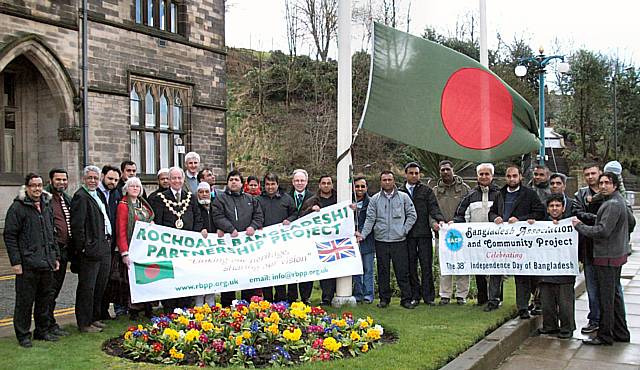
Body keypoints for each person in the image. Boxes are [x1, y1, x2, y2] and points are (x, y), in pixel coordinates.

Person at [573, 172, 634, 345]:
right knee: (614, 296)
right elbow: (630, 222)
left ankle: (605, 335)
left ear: (615, 185)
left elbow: (602, 231)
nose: (603, 186)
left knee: (606, 298)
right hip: (617, 255)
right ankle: (621, 332)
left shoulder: (612, 204)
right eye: (601, 183)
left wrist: (580, 226)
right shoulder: (619, 201)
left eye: (607, 183)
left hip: (606, 256)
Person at [4, 173, 60, 347]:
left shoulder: (46, 205)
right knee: (25, 302)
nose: (37, 188)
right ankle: (23, 335)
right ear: (27, 187)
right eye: (33, 185)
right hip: (27, 264)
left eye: (39, 185)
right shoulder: (17, 208)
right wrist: (16, 262)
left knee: (45, 300)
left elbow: (52, 233)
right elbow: (10, 236)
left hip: (46, 262)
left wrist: (55, 256)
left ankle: (41, 331)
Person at [488, 165, 545, 319]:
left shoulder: (529, 194)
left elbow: (540, 212)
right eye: (509, 176)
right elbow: (491, 212)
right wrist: (495, 218)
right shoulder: (500, 194)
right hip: (502, 240)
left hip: (521, 241)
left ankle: (523, 307)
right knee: (496, 269)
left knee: (522, 275)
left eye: (514, 176)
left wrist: (521, 219)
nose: (511, 179)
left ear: (521, 177)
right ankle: (493, 300)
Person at [357, 171, 417, 309]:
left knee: (402, 271)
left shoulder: (403, 197)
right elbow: (370, 219)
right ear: (381, 182)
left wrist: (404, 230)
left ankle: (406, 299)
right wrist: (363, 235)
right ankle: (384, 299)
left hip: (399, 241)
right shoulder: (375, 199)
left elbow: (412, 215)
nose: (387, 182)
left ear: (394, 180)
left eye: (389, 179)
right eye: (384, 180)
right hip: (381, 240)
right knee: (383, 271)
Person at [150, 166, 206, 312]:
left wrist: (191, 239)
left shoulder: (191, 198)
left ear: (183, 179)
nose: (176, 181)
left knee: (186, 276)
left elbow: (198, 220)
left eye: (179, 178)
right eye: (173, 178)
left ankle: (186, 306)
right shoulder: (160, 199)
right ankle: (170, 308)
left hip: (186, 248)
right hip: (169, 247)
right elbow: (158, 222)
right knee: (170, 277)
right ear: (169, 180)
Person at [71, 166, 113, 333]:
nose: (93, 181)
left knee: (99, 286)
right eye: (90, 178)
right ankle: (84, 322)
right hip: (91, 250)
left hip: (104, 246)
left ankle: (94, 318)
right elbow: (77, 227)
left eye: (95, 178)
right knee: (87, 288)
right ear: (84, 179)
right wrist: (84, 248)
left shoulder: (98, 195)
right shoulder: (80, 197)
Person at [213, 170, 264, 305]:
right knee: (229, 277)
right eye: (231, 180)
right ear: (228, 183)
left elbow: (258, 216)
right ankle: (227, 306)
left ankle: (246, 304)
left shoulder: (250, 199)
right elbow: (217, 216)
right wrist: (230, 229)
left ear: (242, 184)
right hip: (228, 246)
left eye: (236, 180)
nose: (234, 182)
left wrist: (253, 226)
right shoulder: (220, 199)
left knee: (246, 276)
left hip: (246, 247)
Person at [453, 163, 500, 308]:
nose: (484, 177)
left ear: (492, 176)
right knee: (478, 269)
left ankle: (496, 298)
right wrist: (453, 224)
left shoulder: (500, 194)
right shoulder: (471, 195)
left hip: (496, 240)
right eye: (481, 174)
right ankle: (482, 299)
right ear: (477, 176)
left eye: (487, 174)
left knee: (496, 269)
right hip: (477, 240)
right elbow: (460, 214)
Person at [399, 162, 444, 306]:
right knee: (411, 266)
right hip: (407, 235)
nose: (414, 176)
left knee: (426, 266)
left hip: (424, 233)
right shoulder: (399, 192)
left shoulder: (426, 191)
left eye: (416, 173)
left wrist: (440, 220)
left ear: (419, 175)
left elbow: (433, 208)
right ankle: (414, 295)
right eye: (411, 173)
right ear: (406, 174)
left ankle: (428, 297)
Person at [115, 177, 155, 319]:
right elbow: (121, 230)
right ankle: (134, 309)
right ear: (126, 188)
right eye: (132, 186)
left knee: (148, 277)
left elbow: (150, 219)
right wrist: (124, 252)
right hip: (132, 248)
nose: (135, 188)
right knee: (133, 280)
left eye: (137, 186)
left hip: (145, 249)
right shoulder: (123, 206)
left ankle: (148, 306)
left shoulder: (143, 205)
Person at [537, 194, 576, 339]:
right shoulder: (539, 226)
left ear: (563, 208)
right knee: (547, 302)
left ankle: (567, 328)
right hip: (546, 268)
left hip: (565, 269)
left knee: (565, 302)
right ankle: (550, 326)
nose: (554, 209)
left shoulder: (571, 224)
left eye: (557, 206)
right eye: (552, 206)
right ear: (547, 209)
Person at [433, 160, 470, 305]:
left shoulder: (465, 189)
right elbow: (431, 211)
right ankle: (445, 295)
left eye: (448, 169)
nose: (445, 172)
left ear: (453, 170)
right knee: (445, 264)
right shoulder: (435, 191)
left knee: (462, 263)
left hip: (460, 233)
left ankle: (462, 295)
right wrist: (434, 224)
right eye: (442, 170)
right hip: (442, 234)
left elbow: (468, 209)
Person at [257, 173, 297, 302]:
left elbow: (295, 213)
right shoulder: (258, 200)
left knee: (280, 271)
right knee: (266, 272)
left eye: (273, 184)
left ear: (277, 185)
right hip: (264, 243)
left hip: (282, 243)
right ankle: (267, 300)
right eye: (267, 184)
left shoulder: (287, 199)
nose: (270, 187)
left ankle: (281, 299)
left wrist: (289, 220)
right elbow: (255, 216)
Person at [572, 163, 602, 334]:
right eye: (587, 174)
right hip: (588, 248)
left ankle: (610, 319)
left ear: (600, 173)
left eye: (593, 173)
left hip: (607, 249)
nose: (590, 177)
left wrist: (593, 220)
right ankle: (594, 319)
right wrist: (601, 219)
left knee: (612, 289)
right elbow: (578, 213)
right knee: (591, 286)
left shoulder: (609, 192)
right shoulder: (580, 194)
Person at [43, 168, 72, 337]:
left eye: (64, 180)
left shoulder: (65, 198)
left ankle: (51, 323)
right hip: (52, 251)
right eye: (58, 179)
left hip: (64, 250)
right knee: (49, 290)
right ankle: (45, 325)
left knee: (56, 289)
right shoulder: (45, 198)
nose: (61, 182)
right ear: (51, 180)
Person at [305, 175, 338, 305]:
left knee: (328, 271)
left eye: (328, 183)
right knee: (311, 270)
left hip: (331, 241)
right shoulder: (312, 200)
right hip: (314, 241)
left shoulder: (339, 200)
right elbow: (301, 217)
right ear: (319, 185)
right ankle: (305, 297)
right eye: (323, 183)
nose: (326, 185)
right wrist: (311, 210)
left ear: (332, 185)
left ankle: (327, 298)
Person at [98, 165, 124, 319]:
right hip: (98, 245)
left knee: (107, 281)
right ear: (103, 176)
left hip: (111, 244)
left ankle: (103, 311)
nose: (112, 182)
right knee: (97, 282)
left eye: (115, 180)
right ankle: (95, 314)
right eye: (110, 178)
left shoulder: (115, 194)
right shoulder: (96, 194)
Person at [288, 168, 315, 303]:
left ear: (307, 182)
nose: (299, 183)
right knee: (291, 266)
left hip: (306, 239)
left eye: (302, 180)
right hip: (290, 239)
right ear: (293, 182)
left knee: (306, 266)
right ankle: (292, 296)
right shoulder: (286, 197)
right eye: (297, 180)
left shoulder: (314, 197)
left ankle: (306, 297)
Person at [352, 177, 375, 304]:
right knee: (356, 270)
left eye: (362, 186)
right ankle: (358, 294)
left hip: (368, 240)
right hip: (353, 241)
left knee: (368, 269)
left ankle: (368, 295)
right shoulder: (348, 202)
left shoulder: (371, 202)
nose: (360, 189)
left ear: (366, 188)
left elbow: (372, 220)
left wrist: (361, 232)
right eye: (357, 186)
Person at [193, 182, 216, 307]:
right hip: (199, 249)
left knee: (211, 275)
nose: (204, 195)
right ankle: (198, 304)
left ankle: (211, 302)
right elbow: (192, 221)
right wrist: (199, 229)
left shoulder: (215, 207)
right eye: (201, 192)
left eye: (206, 192)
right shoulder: (194, 206)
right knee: (199, 275)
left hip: (213, 248)